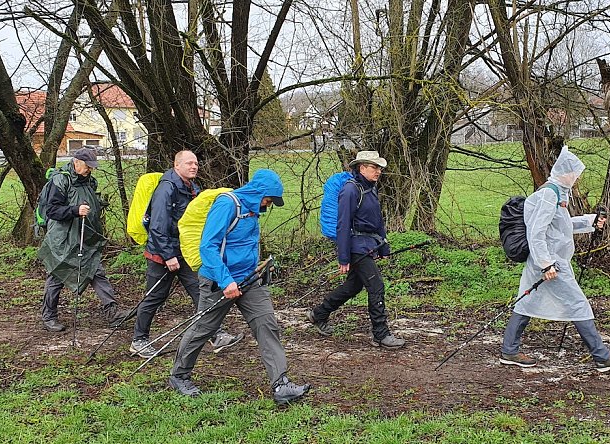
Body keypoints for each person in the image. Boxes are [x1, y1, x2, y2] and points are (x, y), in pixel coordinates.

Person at [168, 169, 311, 405]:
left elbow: (244, 245)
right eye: (269, 199)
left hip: (249, 279)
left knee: (267, 324)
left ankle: (281, 384)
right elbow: (208, 247)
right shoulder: (227, 205)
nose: (269, 204)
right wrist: (226, 281)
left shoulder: (253, 211)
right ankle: (179, 375)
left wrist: (260, 268)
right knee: (204, 328)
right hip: (218, 280)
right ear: (259, 192)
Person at [499, 146, 610, 372]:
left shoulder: (557, 193)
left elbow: (561, 226)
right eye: (576, 174)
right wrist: (546, 264)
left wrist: (590, 222)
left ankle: (510, 351)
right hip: (552, 264)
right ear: (566, 173)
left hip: (548, 261)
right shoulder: (550, 194)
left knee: (527, 301)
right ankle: (602, 356)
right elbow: (536, 232)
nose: (577, 179)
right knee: (578, 304)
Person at [129, 150, 243, 358]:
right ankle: (139, 340)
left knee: (200, 292)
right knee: (155, 296)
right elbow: (157, 226)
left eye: (196, 164)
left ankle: (216, 335)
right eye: (189, 163)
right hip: (163, 253)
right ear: (177, 165)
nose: (194, 167)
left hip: (184, 251)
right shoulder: (167, 189)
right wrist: (168, 255)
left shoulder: (190, 187)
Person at [306, 150, 405, 349]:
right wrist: (343, 257)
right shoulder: (351, 190)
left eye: (379, 168)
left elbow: (376, 220)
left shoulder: (370, 188)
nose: (378, 171)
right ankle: (381, 334)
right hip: (356, 247)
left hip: (368, 245)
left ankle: (319, 314)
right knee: (376, 286)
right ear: (362, 168)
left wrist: (384, 246)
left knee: (353, 286)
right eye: (374, 167)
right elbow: (343, 225)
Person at [38, 147, 127, 332]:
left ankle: (112, 312)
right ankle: (49, 316)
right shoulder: (61, 180)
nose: (89, 170)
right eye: (87, 166)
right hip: (63, 238)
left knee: (96, 270)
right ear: (76, 162)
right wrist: (74, 210)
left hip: (85, 236)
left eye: (91, 167)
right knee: (57, 275)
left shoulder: (89, 181)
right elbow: (52, 211)